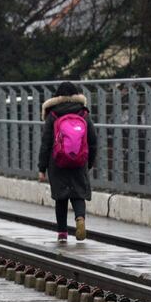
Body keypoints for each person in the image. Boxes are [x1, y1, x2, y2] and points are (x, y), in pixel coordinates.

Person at [38, 81, 97, 242]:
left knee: (61, 197)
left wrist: (42, 168)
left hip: (57, 162)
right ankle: (80, 218)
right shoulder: (83, 114)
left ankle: (62, 233)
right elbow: (92, 140)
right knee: (78, 195)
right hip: (79, 161)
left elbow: (46, 144)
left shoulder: (53, 115)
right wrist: (89, 162)